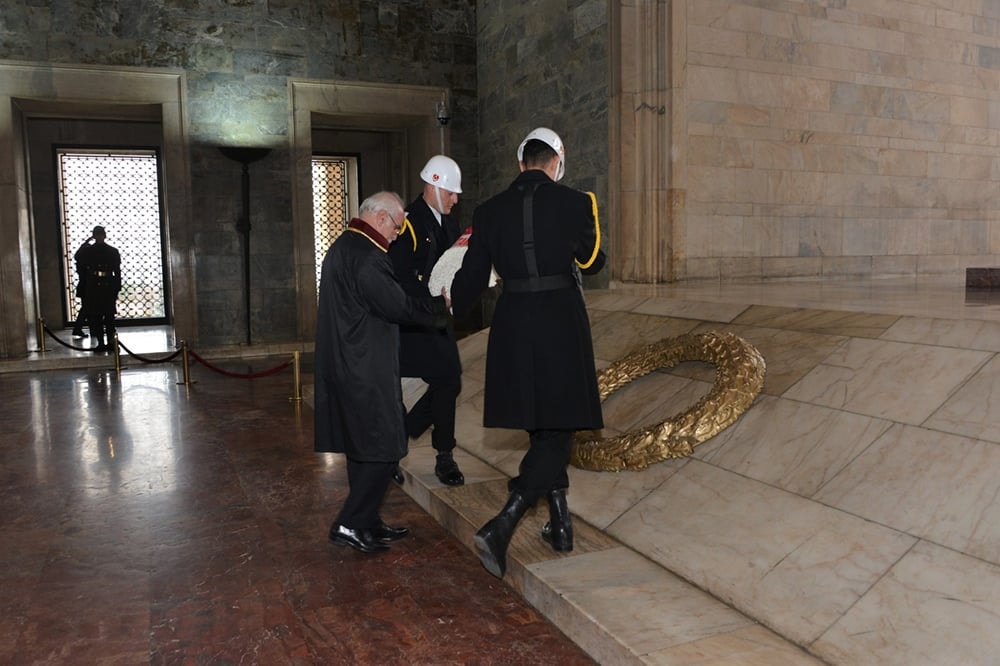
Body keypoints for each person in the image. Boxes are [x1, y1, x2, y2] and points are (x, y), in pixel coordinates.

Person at [450, 127, 606, 578]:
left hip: (513, 323)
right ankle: (505, 520)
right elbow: (593, 260)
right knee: (560, 427)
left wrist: (444, 308)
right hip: (560, 322)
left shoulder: (489, 211)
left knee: (542, 423)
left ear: (520, 163)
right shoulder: (577, 203)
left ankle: (560, 524)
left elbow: (471, 279)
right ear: (557, 163)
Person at [314, 191, 450, 554]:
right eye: (397, 225)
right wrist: (440, 307)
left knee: (363, 447)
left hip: (349, 362)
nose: (398, 233)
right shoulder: (367, 256)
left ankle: (367, 521)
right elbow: (397, 306)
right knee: (388, 444)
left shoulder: (344, 246)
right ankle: (350, 521)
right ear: (379, 218)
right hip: (365, 367)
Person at [388, 155, 466, 486]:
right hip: (412, 320)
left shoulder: (450, 224)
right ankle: (406, 451)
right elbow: (401, 276)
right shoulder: (408, 222)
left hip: (438, 318)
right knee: (445, 380)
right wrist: (434, 299)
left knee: (449, 380)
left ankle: (428, 448)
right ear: (433, 186)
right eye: (450, 192)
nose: (455, 199)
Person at [74, 226, 121, 352]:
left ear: (104, 236)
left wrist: (117, 287)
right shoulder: (89, 251)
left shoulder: (112, 251)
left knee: (109, 316)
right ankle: (100, 342)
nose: (99, 237)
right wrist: (86, 243)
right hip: (93, 286)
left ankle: (111, 341)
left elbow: (117, 271)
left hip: (108, 286)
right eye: (97, 235)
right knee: (96, 316)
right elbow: (77, 257)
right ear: (94, 236)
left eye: (101, 234)